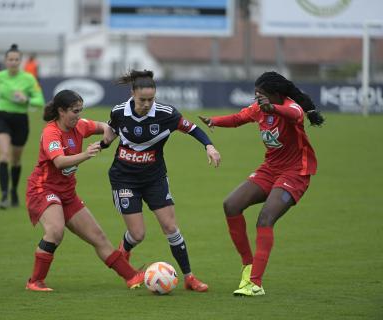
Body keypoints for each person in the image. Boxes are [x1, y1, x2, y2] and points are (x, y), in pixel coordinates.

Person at [198, 71, 325, 297]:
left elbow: (294, 113)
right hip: (270, 169)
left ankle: (255, 283)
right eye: (256, 95)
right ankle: (248, 265)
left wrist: (272, 109)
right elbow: (238, 119)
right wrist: (214, 121)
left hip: (296, 172)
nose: (258, 100)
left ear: (275, 95)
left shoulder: (290, 107)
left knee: (265, 218)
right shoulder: (259, 109)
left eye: (262, 96)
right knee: (231, 204)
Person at [101, 69, 221, 293]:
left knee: (170, 226)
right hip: (124, 178)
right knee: (138, 234)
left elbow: (193, 129)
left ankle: (189, 277)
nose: (147, 104)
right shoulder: (119, 111)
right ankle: (125, 250)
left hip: (154, 178)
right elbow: (112, 131)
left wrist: (209, 146)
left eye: (151, 99)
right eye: (142, 99)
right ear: (132, 94)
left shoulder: (167, 114)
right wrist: (103, 143)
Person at [25, 89, 145, 291]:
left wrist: (117, 131)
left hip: (67, 193)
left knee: (98, 237)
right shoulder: (51, 133)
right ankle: (35, 281)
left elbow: (106, 127)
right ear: (61, 111)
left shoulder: (80, 126)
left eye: (80, 110)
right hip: (43, 189)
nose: (78, 115)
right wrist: (86, 154)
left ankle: (133, 277)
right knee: (55, 230)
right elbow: (60, 162)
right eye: (74, 111)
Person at [0, 44, 45, 209]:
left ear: (20, 61)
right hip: (2, 117)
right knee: (4, 155)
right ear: (5, 61)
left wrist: (26, 99)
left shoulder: (29, 79)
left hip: (20, 120)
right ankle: (3, 195)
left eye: (16, 59)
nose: (13, 62)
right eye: (10, 59)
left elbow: (40, 101)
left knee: (16, 160)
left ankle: (14, 190)